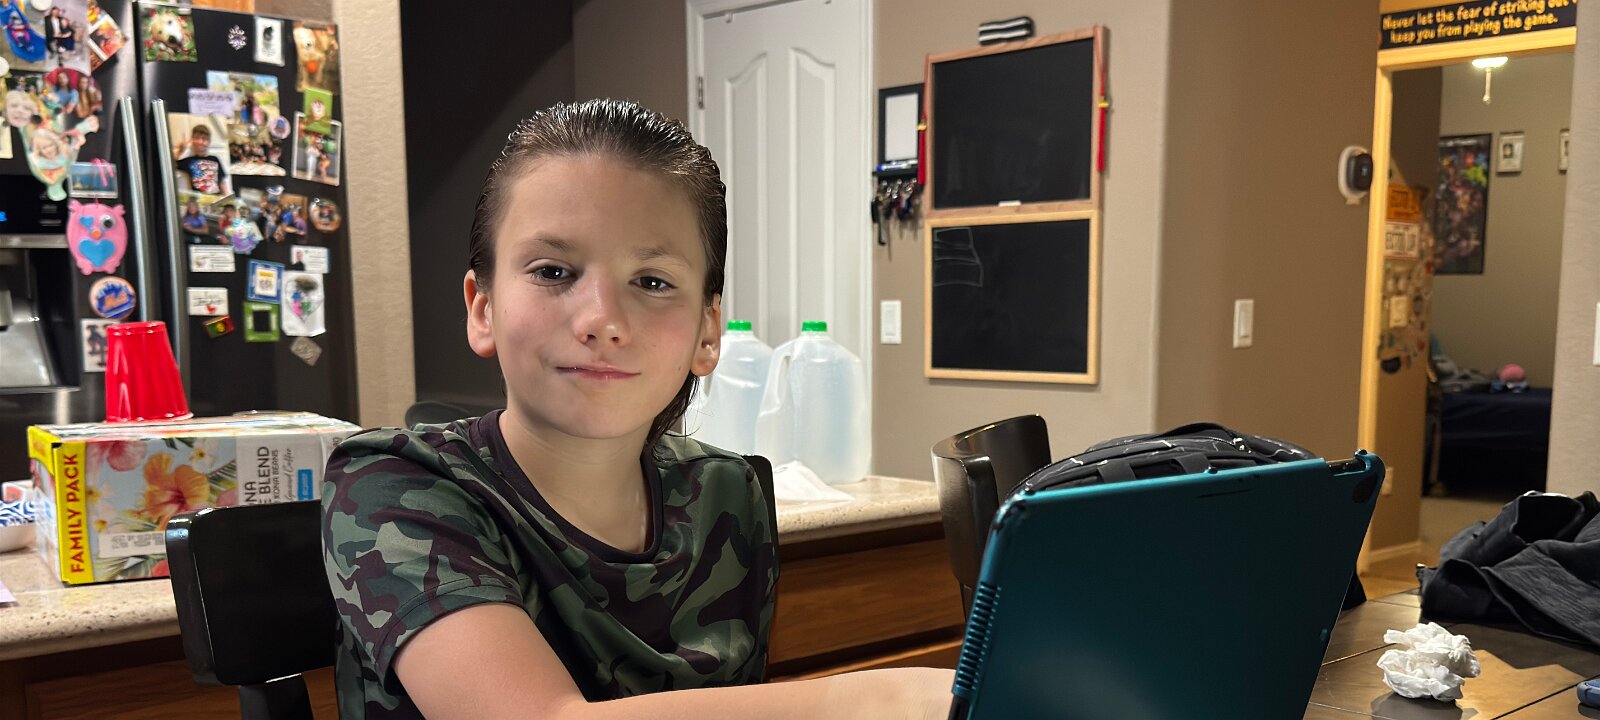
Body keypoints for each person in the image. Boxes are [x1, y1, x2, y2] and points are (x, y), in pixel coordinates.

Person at [320, 99, 953, 720]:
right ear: (482, 308)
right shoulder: (391, 485)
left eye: (652, 281)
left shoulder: (727, 492)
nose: (603, 320)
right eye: (553, 271)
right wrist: (882, 700)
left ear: (708, 331)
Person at [173, 123, 227, 195]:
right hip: (198, 200)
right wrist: (180, 150)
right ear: (192, 140)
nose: (200, 142)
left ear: (209, 142)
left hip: (217, 199)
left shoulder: (215, 159)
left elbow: (222, 183)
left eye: (204, 139)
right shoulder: (188, 161)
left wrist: (228, 197)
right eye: (197, 138)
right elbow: (170, 165)